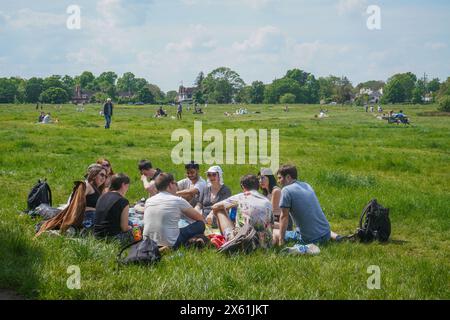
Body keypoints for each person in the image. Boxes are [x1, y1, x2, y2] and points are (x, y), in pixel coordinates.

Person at [275, 165, 341, 246]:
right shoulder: (306, 185)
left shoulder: (286, 190)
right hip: (326, 234)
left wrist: (281, 240)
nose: (278, 181)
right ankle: (337, 237)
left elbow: (284, 217)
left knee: (274, 232)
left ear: (288, 177)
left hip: (310, 239)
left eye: (279, 178)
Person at [143, 173, 206, 249]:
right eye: (176, 183)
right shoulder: (177, 200)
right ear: (170, 185)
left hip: (148, 242)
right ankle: (186, 243)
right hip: (171, 242)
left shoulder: (149, 200)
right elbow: (199, 218)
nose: (177, 186)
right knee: (200, 225)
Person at [212, 175, 274, 249]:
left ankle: (228, 241)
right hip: (265, 244)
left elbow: (215, 206)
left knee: (219, 209)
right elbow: (271, 224)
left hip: (244, 242)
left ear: (242, 186)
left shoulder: (242, 196)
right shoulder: (267, 201)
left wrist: (227, 209)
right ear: (258, 186)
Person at [94, 173, 134, 244]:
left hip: (97, 236)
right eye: (127, 186)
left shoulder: (102, 196)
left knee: (130, 223)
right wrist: (131, 228)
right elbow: (124, 228)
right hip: (112, 238)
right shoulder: (123, 201)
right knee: (137, 228)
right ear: (123, 185)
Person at [83, 164, 107, 230]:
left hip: (95, 217)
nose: (103, 178)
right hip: (87, 219)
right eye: (101, 175)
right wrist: (94, 209)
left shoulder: (99, 189)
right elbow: (77, 205)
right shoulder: (87, 186)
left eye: (105, 176)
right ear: (94, 175)